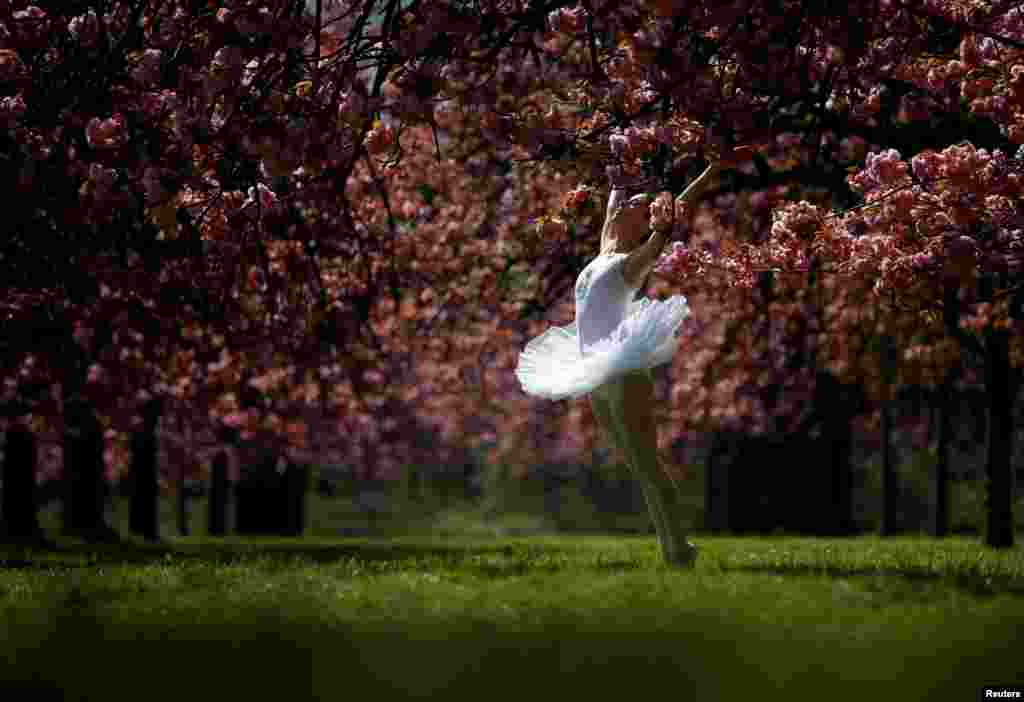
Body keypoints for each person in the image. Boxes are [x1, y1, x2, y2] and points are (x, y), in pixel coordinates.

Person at [515, 148, 751, 567]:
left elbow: (675, 214)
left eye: (636, 205)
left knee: (648, 461)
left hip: (623, 370)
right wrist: (623, 151)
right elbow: (615, 185)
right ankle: (675, 548)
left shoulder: (633, 261)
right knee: (639, 467)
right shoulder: (606, 242)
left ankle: (678, 548)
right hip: (593, 373)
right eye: (624, 201)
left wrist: (713, 169)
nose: (625, 202)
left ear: (644, 222)